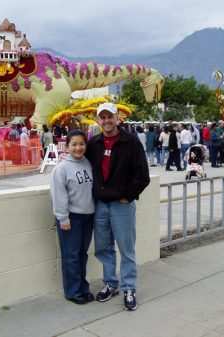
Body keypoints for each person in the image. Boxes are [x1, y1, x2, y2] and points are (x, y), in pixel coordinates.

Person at [84, 102, 150, 311]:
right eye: (102, 117)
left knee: (126, 249)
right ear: (98, 120)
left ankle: (129, 287)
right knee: (104, 248)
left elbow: (142, 175)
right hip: (100, 206)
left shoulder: (130, 141)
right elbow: (83, 166)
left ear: (117, 117)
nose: (106, 121)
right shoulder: (93, 143)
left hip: (122, 206)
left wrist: (128, 197)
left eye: (110, 116)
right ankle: (111, 284)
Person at [50, 130, 95, 305]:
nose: (78, 148)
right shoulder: (61, 168)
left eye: (82, 144)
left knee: (82, 254)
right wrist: (63, 218)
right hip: (71, 218)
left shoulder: (89, 163)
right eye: (74, 144)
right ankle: (72, 291)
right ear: (66, 146)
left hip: (88, 216)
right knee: (71, 255)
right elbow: (58, 194)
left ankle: (83, 288)